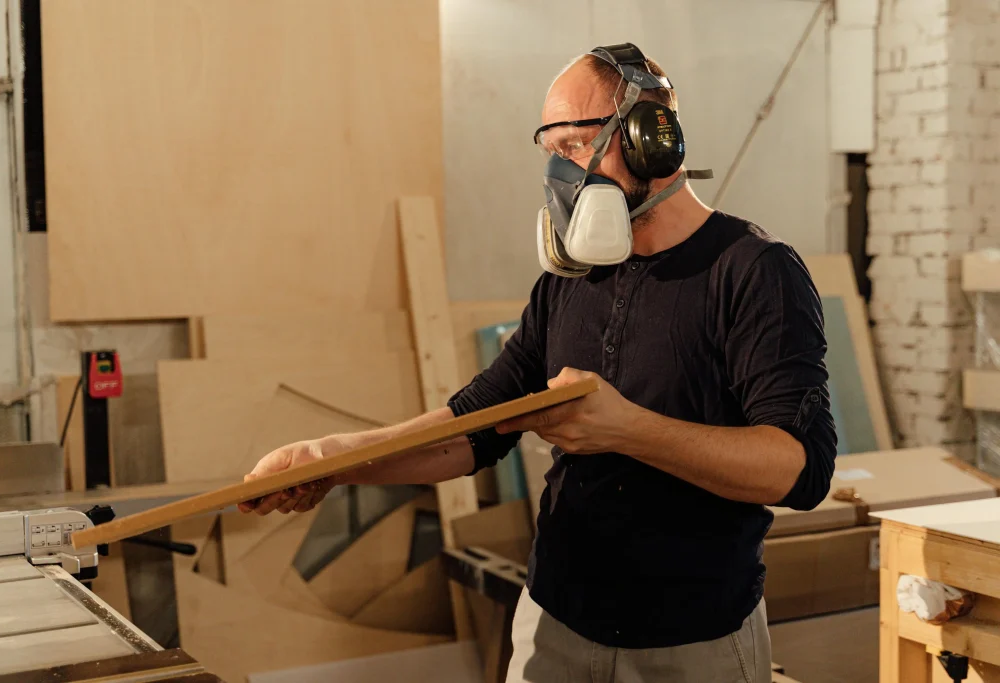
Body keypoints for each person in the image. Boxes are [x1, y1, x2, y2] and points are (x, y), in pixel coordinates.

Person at [239, 42, 837, 683]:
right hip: (555, 621)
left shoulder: (753, 272)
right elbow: (477, 425)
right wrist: (335, 459)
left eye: (575, 147)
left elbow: (797, 469)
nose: (562, 176)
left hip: (694, 640)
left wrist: (628, 429)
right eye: (551, 154)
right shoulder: (572, 279)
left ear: (649, 140)